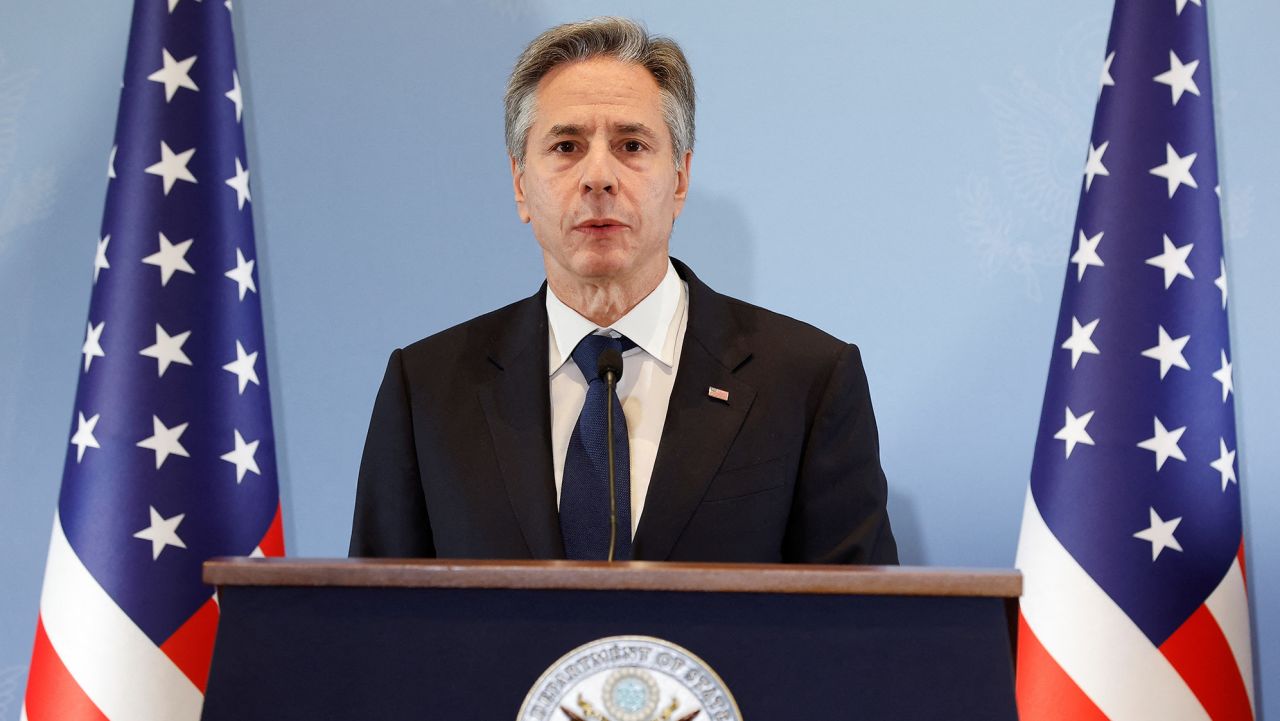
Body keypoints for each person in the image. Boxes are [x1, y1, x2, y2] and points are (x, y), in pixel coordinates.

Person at [349, 17, 897, 564]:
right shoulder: (426, 390)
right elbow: (374, 626)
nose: (598, 178)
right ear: (521, 184)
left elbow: (866, 631)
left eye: (631, 145)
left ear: (679, 179)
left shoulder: (809, 381)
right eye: (565, 146)